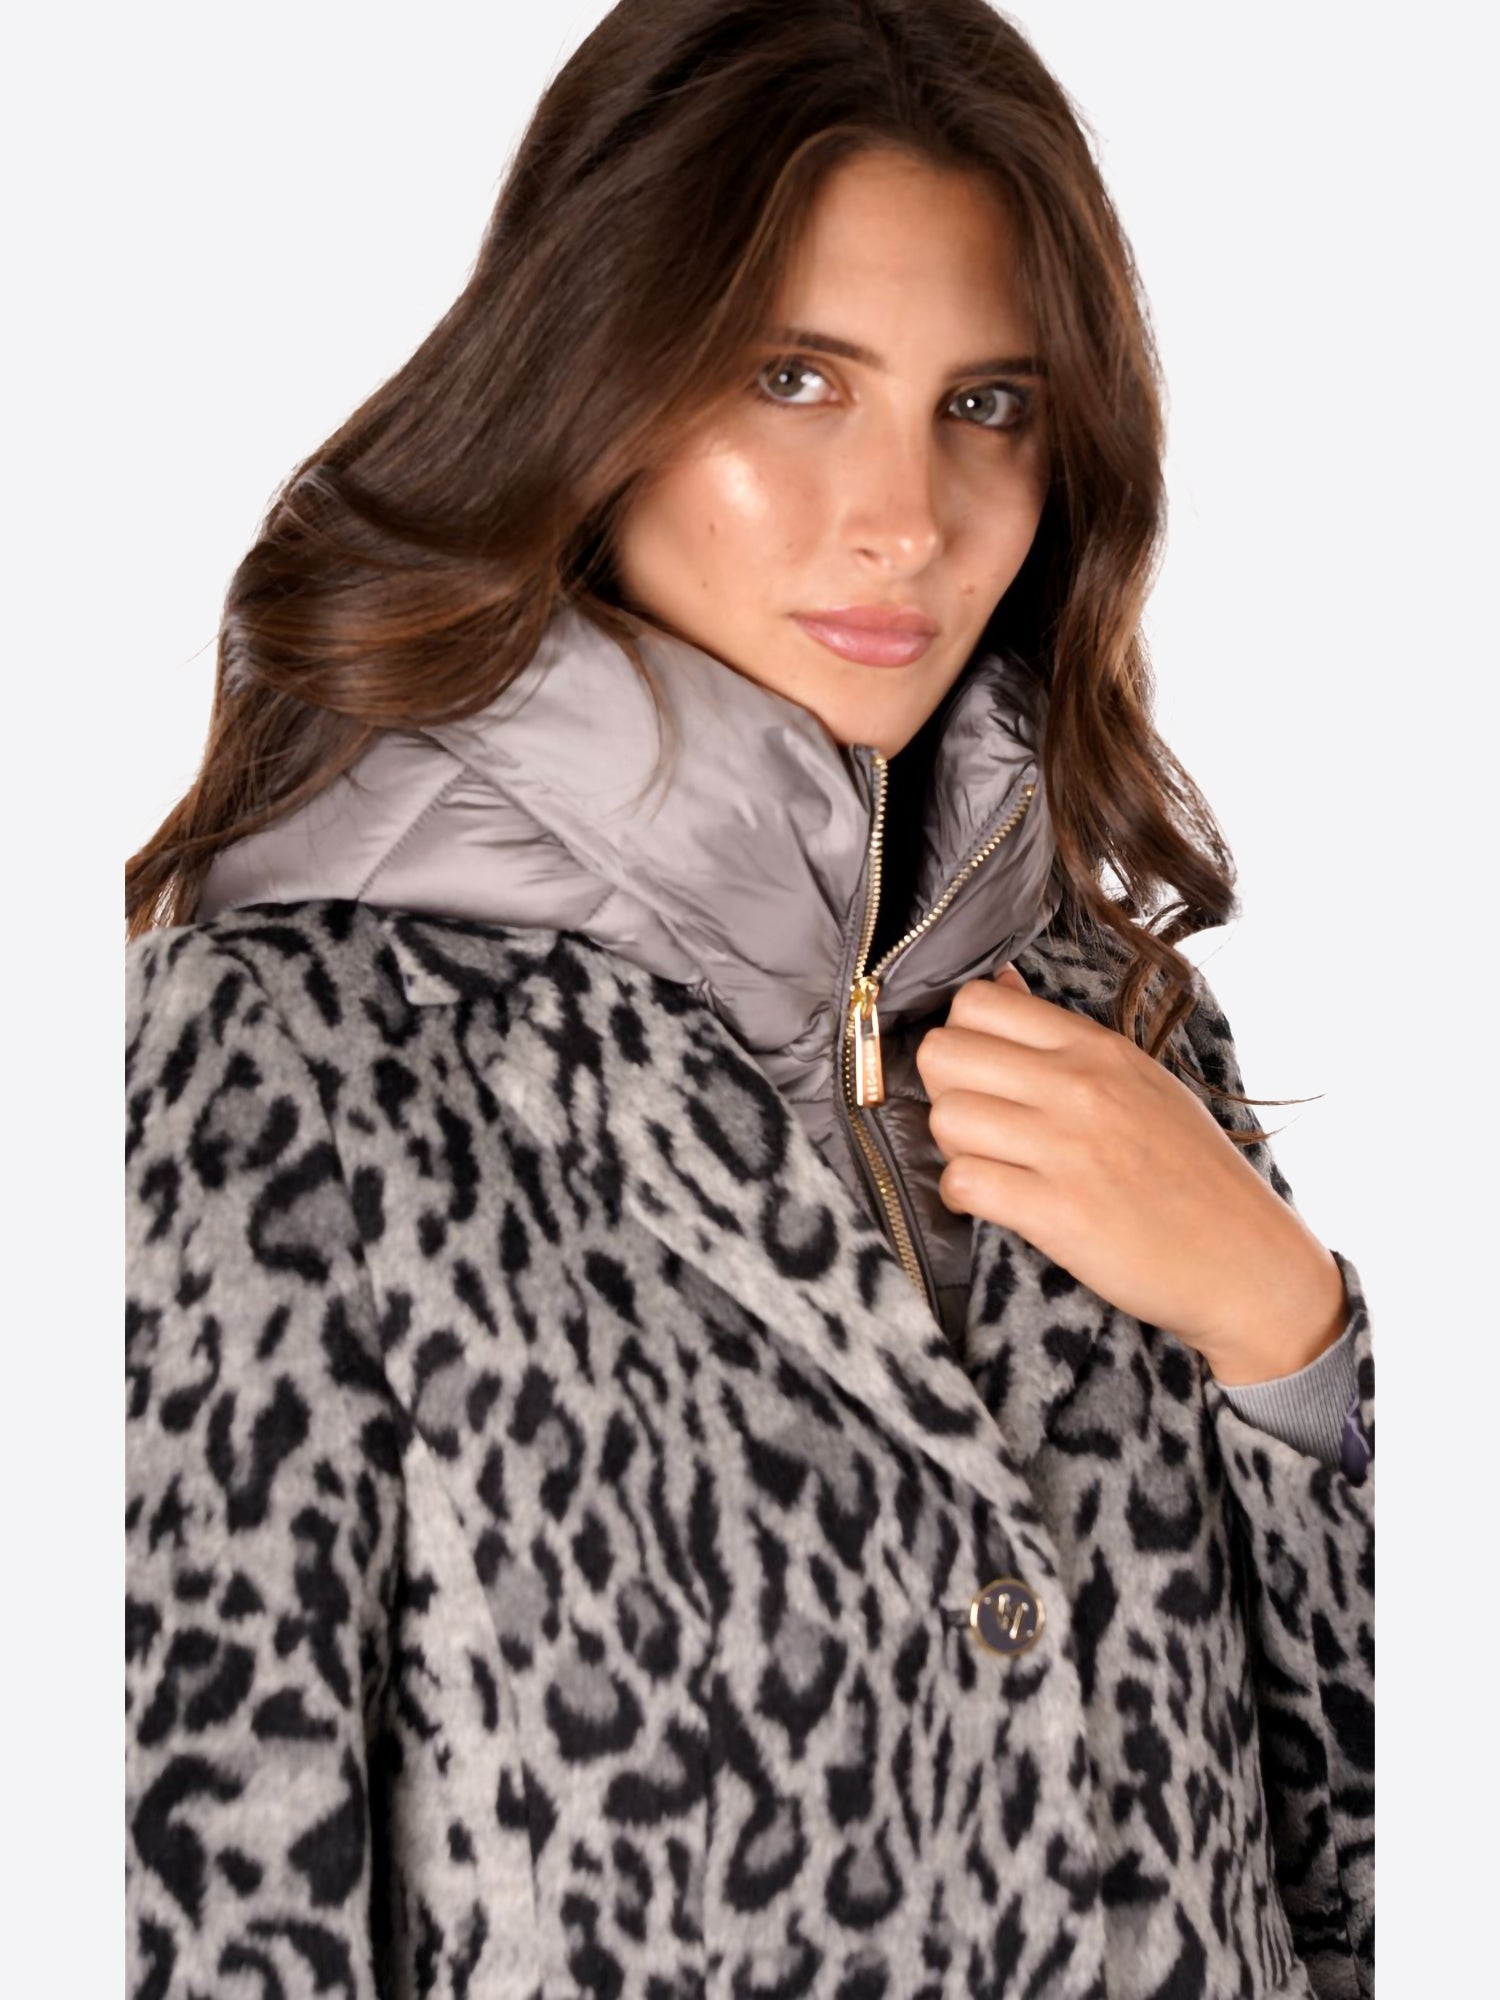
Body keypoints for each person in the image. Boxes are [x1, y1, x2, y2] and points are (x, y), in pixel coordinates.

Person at [123, 2, 1374, 1995]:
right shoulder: (292, 1065)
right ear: (588, 382)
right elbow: (209, 1902)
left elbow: (1364, 1889)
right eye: (795, 379)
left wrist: (1289, 1345)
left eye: (990, 404)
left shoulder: (1123, 1031)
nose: (906, 518)